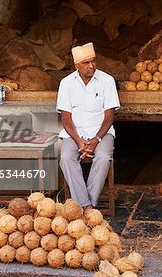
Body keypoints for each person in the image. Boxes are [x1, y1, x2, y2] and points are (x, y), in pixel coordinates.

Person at [56, 42, 120, 211]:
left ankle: (86, 204)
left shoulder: (107, 81)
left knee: (104, 157)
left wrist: (96, 139)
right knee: (66, 158)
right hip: (74, 134)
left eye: (93, 61)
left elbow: (109, 115)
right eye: (86, 63)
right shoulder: (66, 83)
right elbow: (66, 118)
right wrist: (78, 141)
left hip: (101, 132)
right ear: (76, 64)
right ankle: (87, 205)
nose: (91, 65)